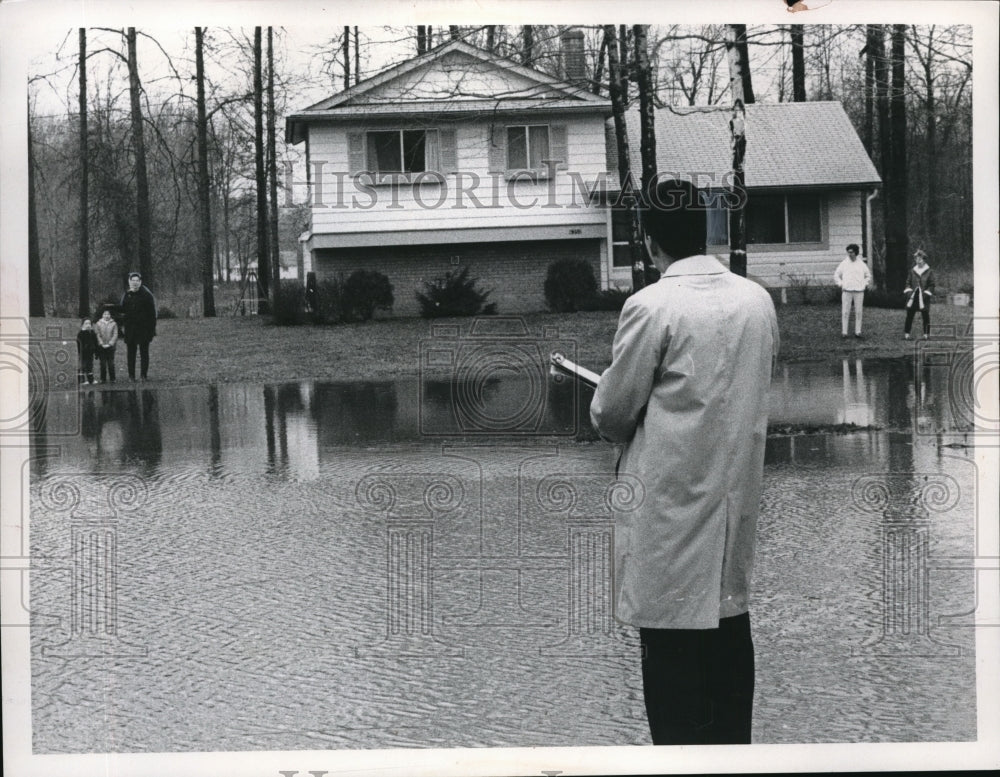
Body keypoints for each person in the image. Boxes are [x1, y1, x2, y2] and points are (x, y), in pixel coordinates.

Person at [590, 179, 779, 745]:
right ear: (705, 231)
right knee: (730, 694)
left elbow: (612, 413)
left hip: (669, 521)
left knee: (675, 714)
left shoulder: (650, 307)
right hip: (732, 510)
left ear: (650, 242)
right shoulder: (756, 301)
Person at [119, 272, 157, 381]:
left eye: (137, 281)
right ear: (129, 282)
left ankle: (143, 375)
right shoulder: (126, 295)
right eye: (133, 281)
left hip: (144, 329)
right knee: (131, 354)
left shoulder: (146, 295)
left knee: (144, 352)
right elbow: (122, 310)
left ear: (140, 282)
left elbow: (152, 315)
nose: (135, 283)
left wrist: (152, 330)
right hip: (130, 329)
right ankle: (131, 376)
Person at [833, 244, 871, 339]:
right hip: (847, 291)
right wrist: (841, 284)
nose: (850, 254)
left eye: (852, 252)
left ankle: (858, 332)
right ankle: (844, 332)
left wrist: (864, 284)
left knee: (858, 312)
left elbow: (868, 276)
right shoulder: (844, 263)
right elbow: (836, 275)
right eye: (848, 252)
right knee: (845, 311)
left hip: (859, 291)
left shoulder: (861, 264)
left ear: (856, 253)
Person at [903, 249, 935, 340]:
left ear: (924, 259)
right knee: (910, 315)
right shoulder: (912, 271)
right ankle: (907, 334)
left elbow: (932, 285)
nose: (918, 261)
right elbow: (908, 282)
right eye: (916, 259)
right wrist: (909, 292)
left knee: (925, 315)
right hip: (913, 297)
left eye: (920, 259)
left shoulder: (929, 271)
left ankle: (926, 334)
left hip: (924, 297)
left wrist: (926, 294)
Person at [93, 307, 119, 384]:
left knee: (111, 363)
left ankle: (112, 378)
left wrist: (110, 343)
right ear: (102, 315)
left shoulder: (114, 323)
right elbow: (97, 334)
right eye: (105, 314)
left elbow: (115, 334)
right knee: (103, 363)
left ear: (110, 315)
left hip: (111, 347)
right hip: (101, 347)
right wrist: (101, 343)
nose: (106, 315)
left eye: (108, 314)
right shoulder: (98, 323)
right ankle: (103, 379)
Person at [76, 319, 98, 386]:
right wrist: (81, 351)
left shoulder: (92, 332)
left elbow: (95, 342)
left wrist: (96, 351)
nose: (88, 325)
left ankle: (90, 380)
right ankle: (81, 380)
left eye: (89, 323)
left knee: (90, 366)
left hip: (90, 352)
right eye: (86, 323)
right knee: (82, 366)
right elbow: (79, 343)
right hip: (83, 353)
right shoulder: (81, 333)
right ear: (83, 325)